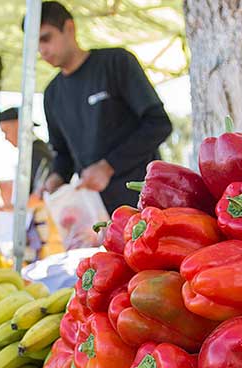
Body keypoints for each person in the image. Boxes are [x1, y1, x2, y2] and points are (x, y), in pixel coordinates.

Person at [30, 1, 172, 213]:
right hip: (96, 216)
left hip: (146, 203)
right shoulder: (51, 94)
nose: (42, 50)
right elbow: (63, 155)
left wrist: (109, 165)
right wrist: (55, 179)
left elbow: (159, 124)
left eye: (46, 38)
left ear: (69, 28)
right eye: (35, 44)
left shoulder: (116, 63)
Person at [0, 107, 54, 194]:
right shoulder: (33, 151)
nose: (6, 137)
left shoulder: (37, 152)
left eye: (6, 131)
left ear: (19, 125)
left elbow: (41, 195)